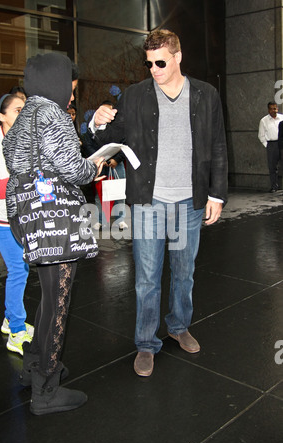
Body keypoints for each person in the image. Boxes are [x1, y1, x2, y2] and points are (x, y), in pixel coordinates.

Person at [89, 29, 228, 377]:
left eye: (161, 61)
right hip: (149, 203)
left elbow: (218, 147)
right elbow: (108, 138)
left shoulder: (205, 95)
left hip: (188, 203)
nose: (154, 68)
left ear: (178, 57)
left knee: (184, 273)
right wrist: (96, 120)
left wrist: (217, 194)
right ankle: (146, 343)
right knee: (147, 278)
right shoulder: (135, 96)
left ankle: (178, 326)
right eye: (149, 62)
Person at [3, 52, 104, 415]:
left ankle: (35, 366)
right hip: (57, 222)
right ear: (57, 82)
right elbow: (73, 169)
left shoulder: (22, 118)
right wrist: (95, 164)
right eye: (71, 88)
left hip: (27, 219)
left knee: (47, 298)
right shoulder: (51, 113)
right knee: (58, 303)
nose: (72, 97)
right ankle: (46, 390)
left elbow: (18, 170)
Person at [0, 93, 33, 355]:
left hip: (17, 218)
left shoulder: (23, 140)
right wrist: (17, 184)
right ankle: (15, 330)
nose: (22, 114)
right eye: (17, 110)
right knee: (19, 270)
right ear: (1, 116)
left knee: (21, 268)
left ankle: (8, 319)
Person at [83, 101, 128, 230]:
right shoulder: (91, 129)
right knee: (100, 193)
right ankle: (101, 220)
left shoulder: (118, 129)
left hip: (115, 165)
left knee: (119, 192)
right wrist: (100, 159)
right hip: (100, 166)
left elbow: (125, 145)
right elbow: (88, 145)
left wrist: (116, 159)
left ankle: (121, 219)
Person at [258, 102, 283, 192]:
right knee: (272, 167)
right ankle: (274, 186)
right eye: (272, 109)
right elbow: (261, 135)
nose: (274, 110)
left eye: (275, 108)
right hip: (272, 144)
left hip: (282, 143)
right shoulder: (264, 121)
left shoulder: (281, 118)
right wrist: (267, 145)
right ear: (268, 110)